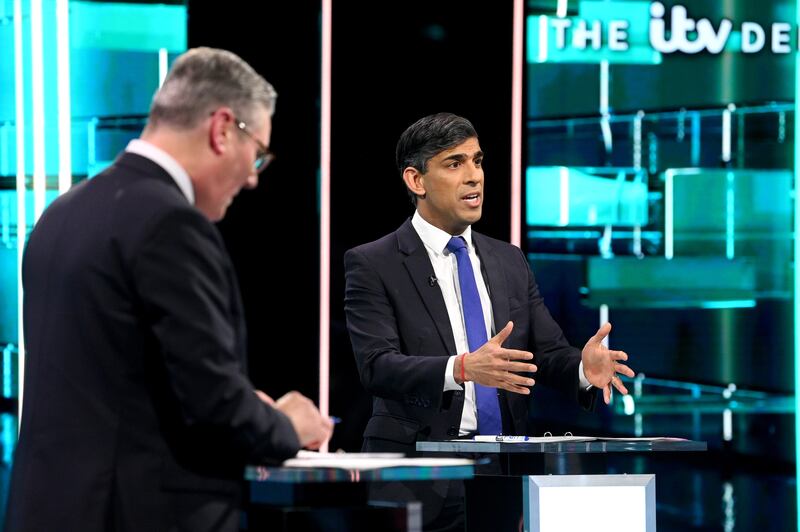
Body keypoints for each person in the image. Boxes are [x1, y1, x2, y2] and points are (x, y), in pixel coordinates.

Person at [5, 47, 333, 532]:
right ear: (223, 128)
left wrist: (239, 399)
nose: (251, 178)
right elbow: (215, 408)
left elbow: (117, 378)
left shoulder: (61, 214)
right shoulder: (171, 224)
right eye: (258, 153)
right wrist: (288, 425)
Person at [344, 112, 634, 531]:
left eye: (478, 161)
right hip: (415, 474)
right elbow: (377, 365)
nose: (474, 177)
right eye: (454, 164)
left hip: (501, 473)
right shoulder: (374, 263)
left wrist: (583, 370)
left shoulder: (508, 260)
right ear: (416, 180)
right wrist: (460, 369)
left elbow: (547, 353)